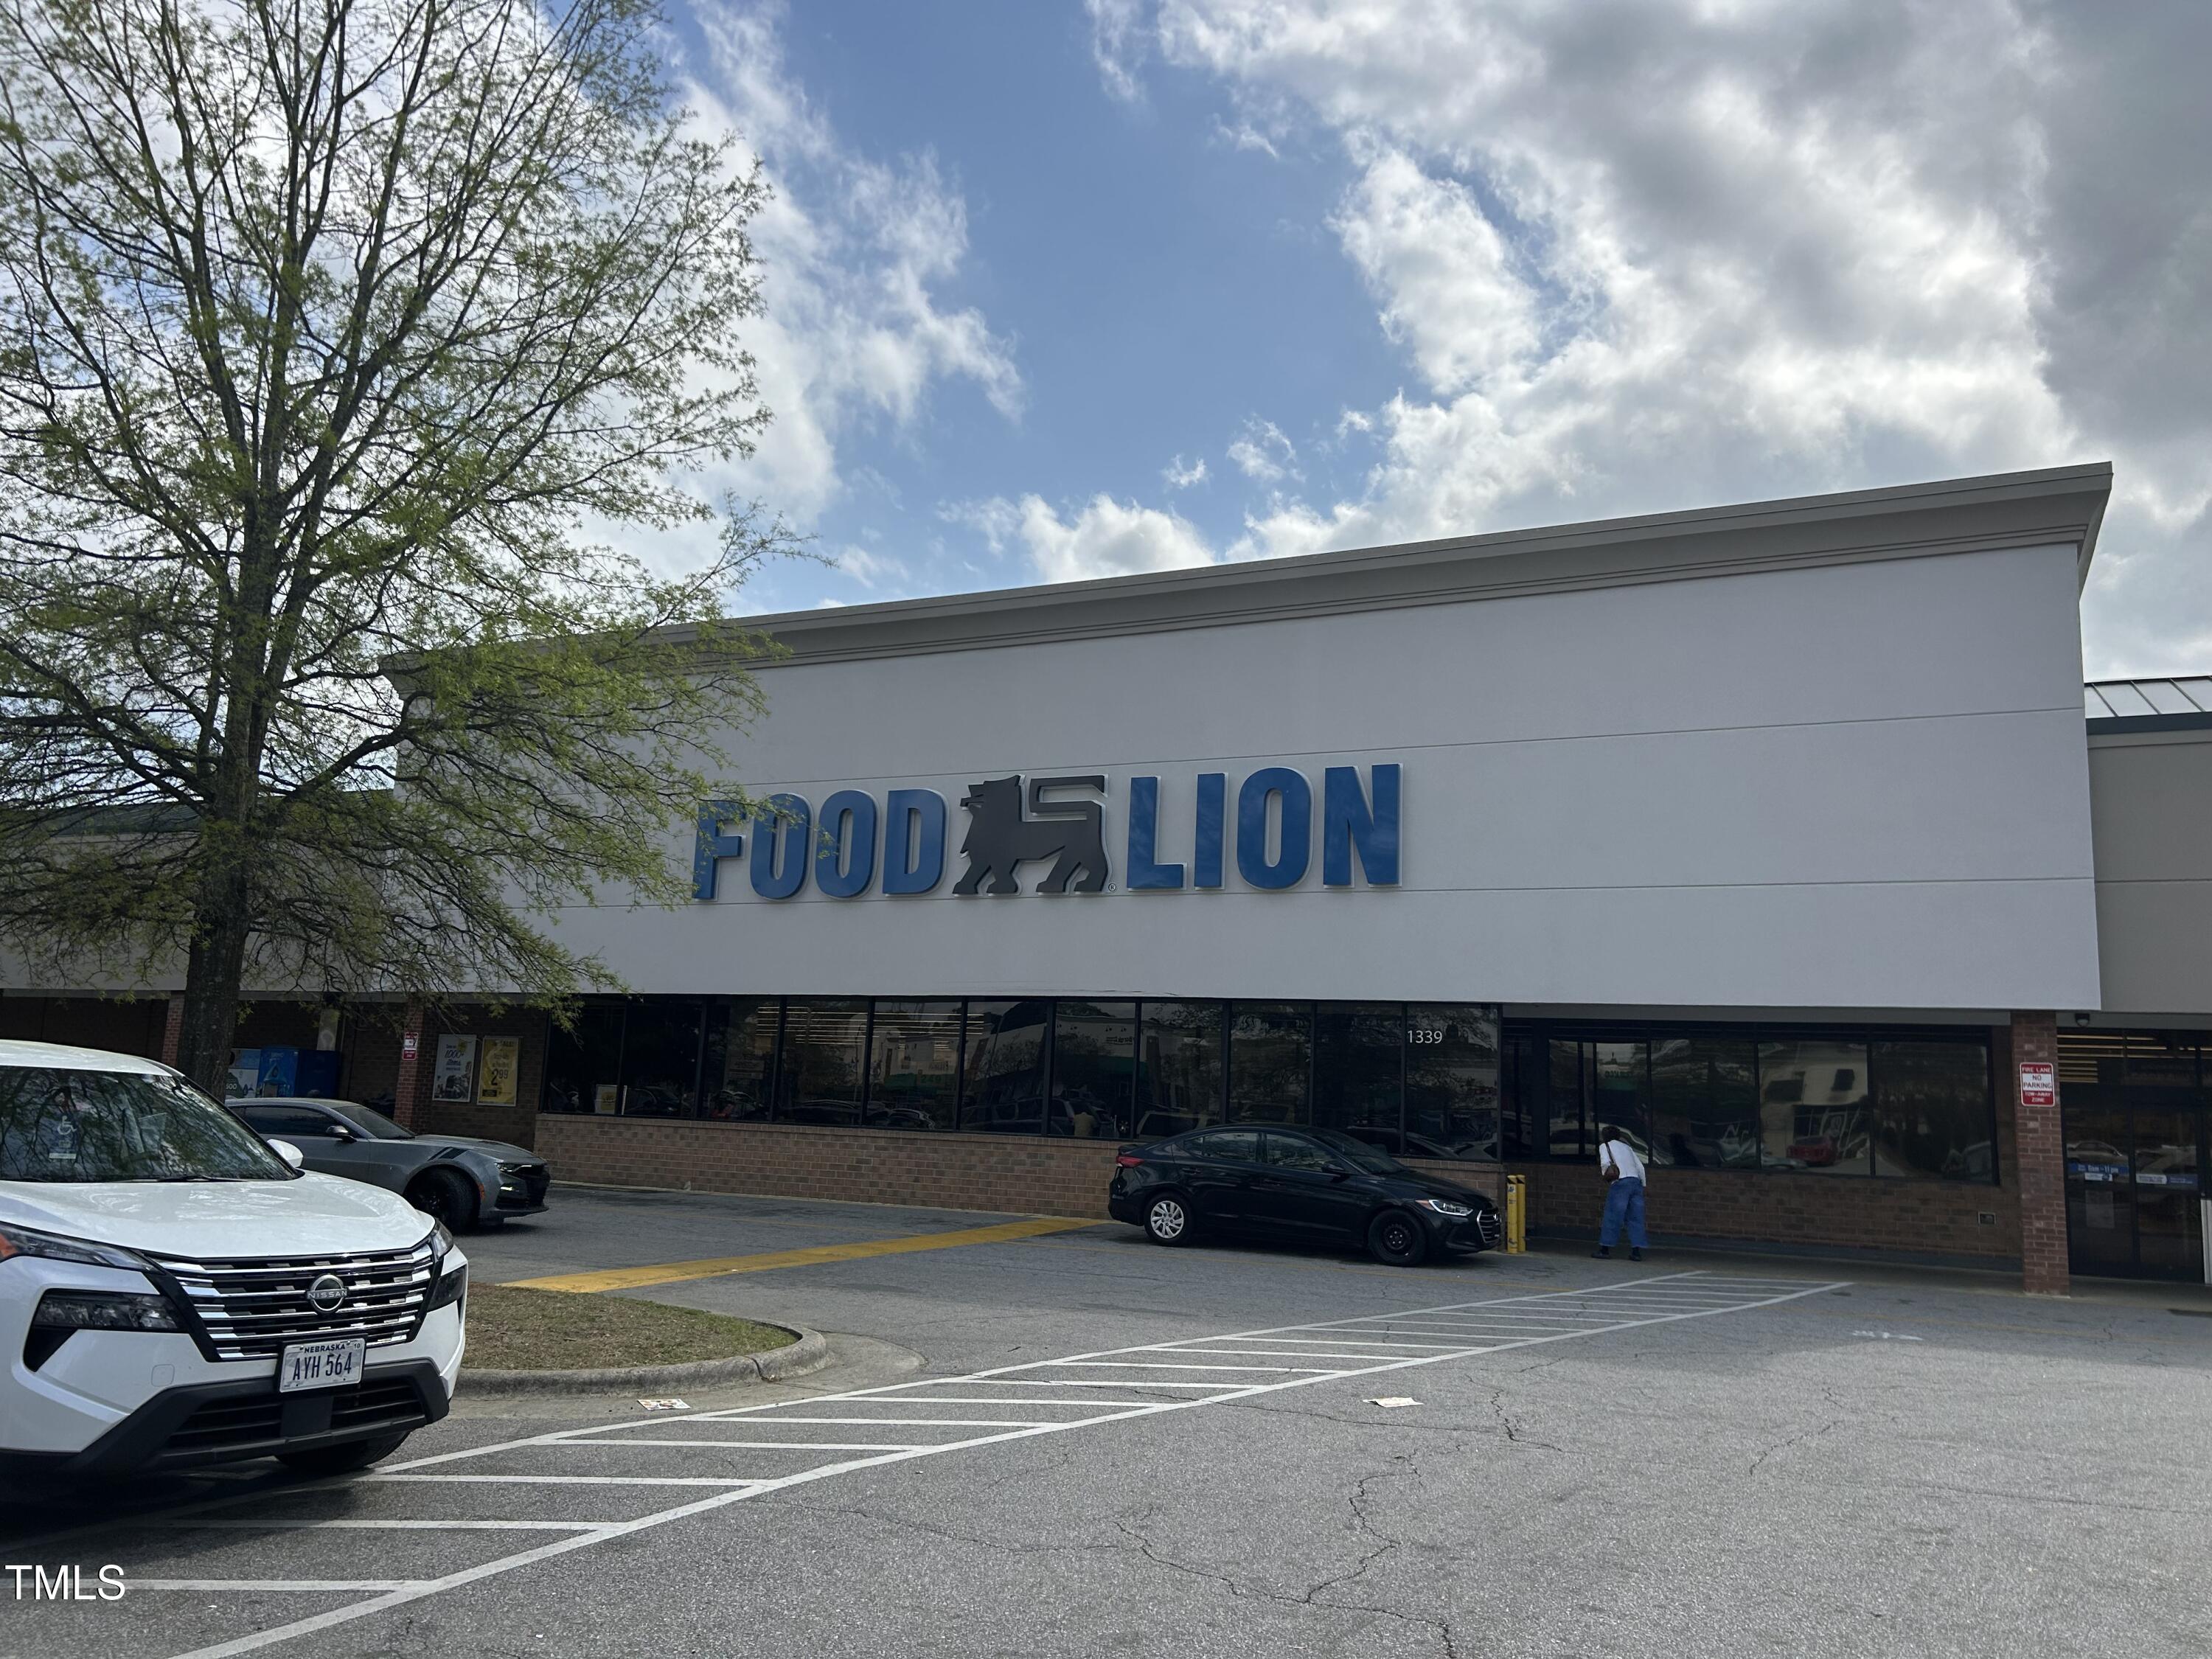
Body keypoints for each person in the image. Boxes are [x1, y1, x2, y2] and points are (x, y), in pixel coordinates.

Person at [1593, 1125, 1648, 1262]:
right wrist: (1643, 1184)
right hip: (1636, 1182)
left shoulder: (1604, 1146)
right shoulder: (1627, 1148)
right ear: (1618, 1136)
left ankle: (1605, 1249)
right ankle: (1636, 1252)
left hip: (1620, 1182)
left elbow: (1606, 1164)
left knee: (1613, 1216)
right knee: (1636, 1218)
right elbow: (1640, 1167)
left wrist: (1607, 1177)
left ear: (1604, 1136)